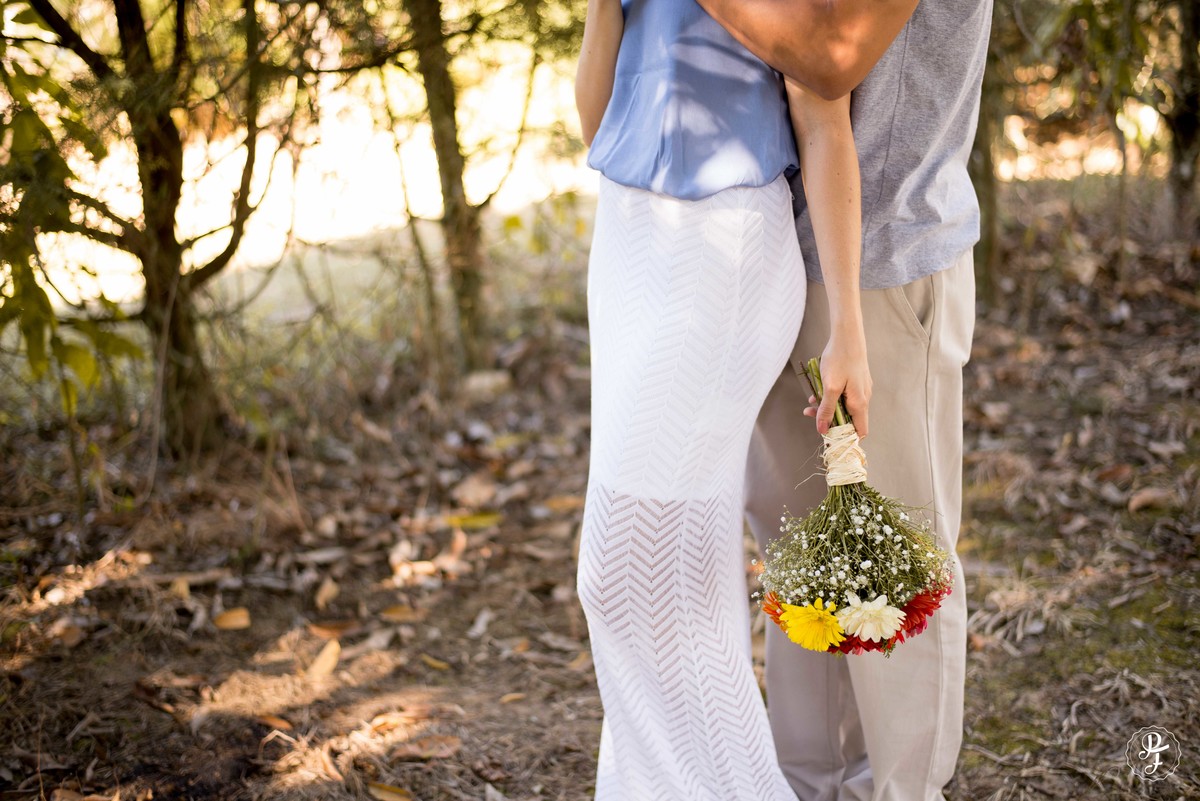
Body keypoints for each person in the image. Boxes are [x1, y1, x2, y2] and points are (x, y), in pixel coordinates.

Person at [694, 1, 994, 800]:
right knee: (802, 552)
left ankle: (902, 790)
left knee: (896, 562)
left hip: (884, 264)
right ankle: (811, 785)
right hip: (773, 250)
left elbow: (831, 55)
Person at [573, 1, 865, 799]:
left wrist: (848, 328)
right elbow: (602, 118)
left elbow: (826, 121)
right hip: (628, 235)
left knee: (619, 568)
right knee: (687, 572)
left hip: (724, 240)